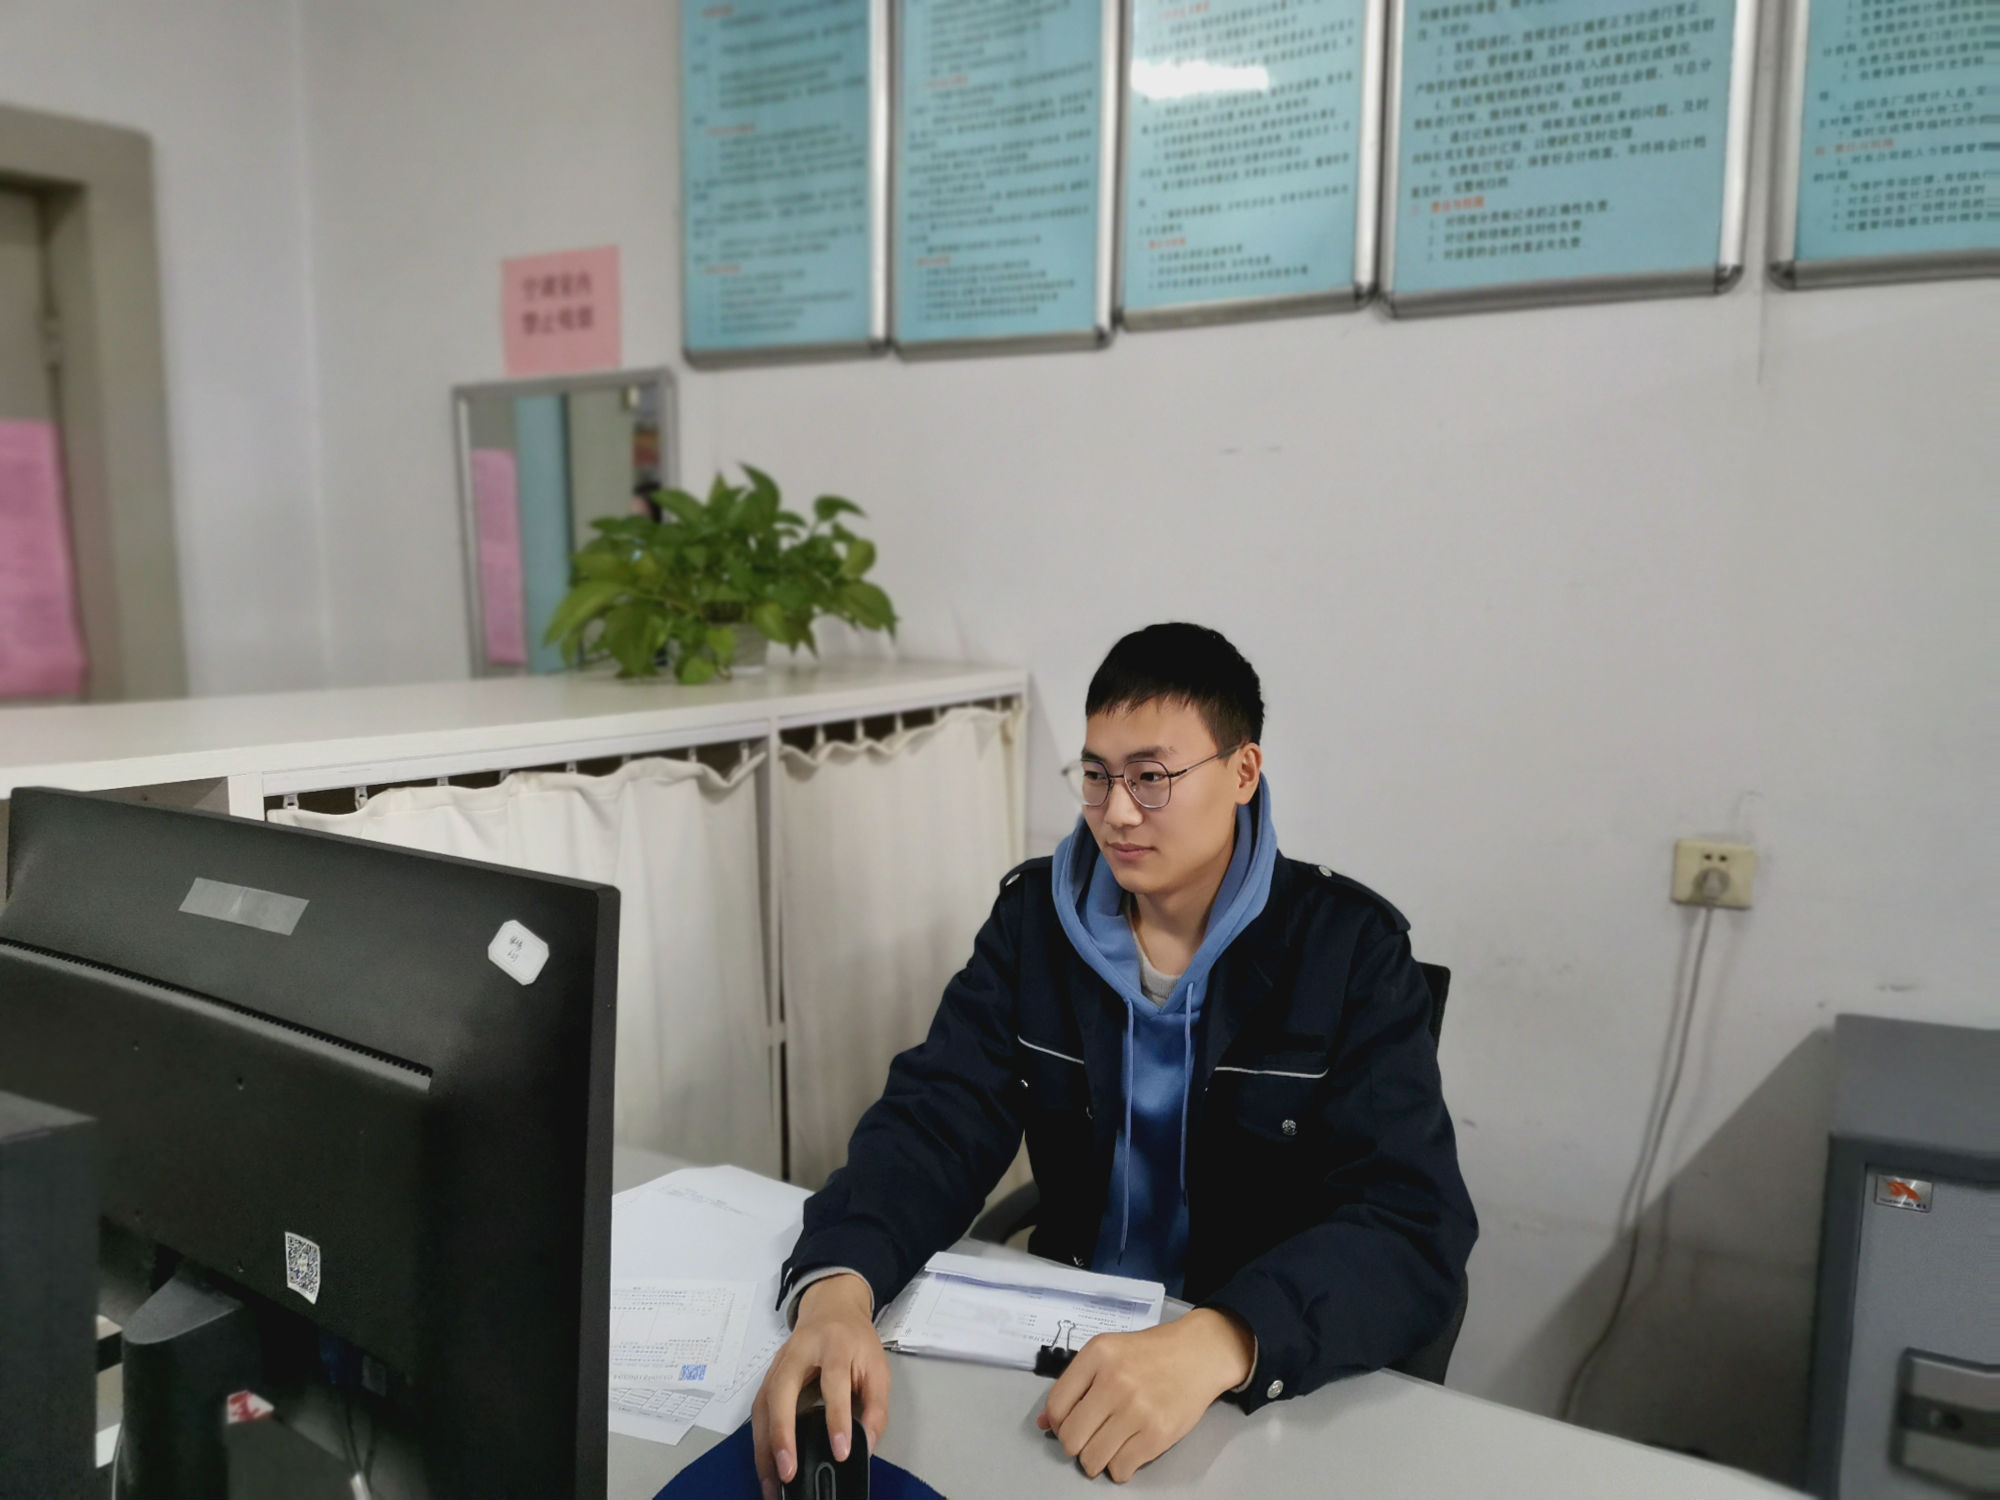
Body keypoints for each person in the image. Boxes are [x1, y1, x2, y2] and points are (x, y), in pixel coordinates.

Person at [753, 623, 1476, 1493]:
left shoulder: (1349, 952)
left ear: (1243, 772)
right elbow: (934, 1120)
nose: (1118, 813)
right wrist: (838, 1290)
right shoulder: (1034, 923)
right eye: (1097, 775)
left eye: (1151, 777)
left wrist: (1222, 1338)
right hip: (1065, 1349)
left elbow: (1411, 1223)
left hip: (1251, 1372)